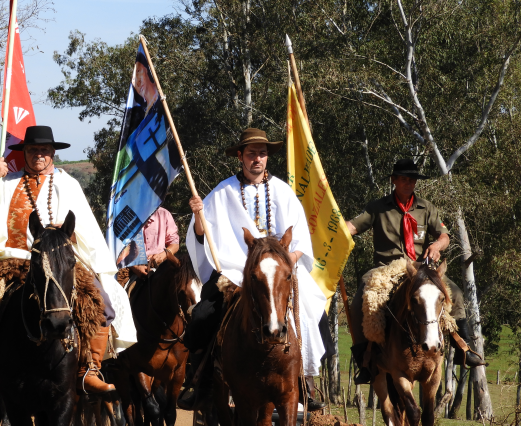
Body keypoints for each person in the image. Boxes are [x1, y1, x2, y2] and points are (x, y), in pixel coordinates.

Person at [0, 125, 137, 397]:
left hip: (59, 261)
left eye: (43, 150)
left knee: (99, 300)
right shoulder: (6, 183)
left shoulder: (69, 184)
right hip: (12, 260)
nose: (38, 155)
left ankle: (89, 369)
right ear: (24, 153)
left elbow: (86, 228)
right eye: (32, 150)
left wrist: (65, 231)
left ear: (52, 153)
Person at [178, 128, 328, 411]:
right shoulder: (221, 193)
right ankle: (201, 382)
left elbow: (300, 245)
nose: (257, 159)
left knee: (314, 309)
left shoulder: (283, 192)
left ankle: (306, 382)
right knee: (202, 316)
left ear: (267, 157)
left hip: (280, 272)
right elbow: (201, 236)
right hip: (235, 273)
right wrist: (198, 214)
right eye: (251, 153)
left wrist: (285, 265)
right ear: (240, 157)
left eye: (261, 153)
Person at [345, 158, 486, 385]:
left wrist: (437, 246)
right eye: (403, 179)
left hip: (420, 268)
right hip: (385, 270)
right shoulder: (378, 207)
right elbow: (351, 227)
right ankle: (365, 362)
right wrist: (332, 227)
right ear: (394, 180)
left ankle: (464, 348)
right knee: (359, 302)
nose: (408, 183)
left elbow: (444, 236)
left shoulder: (426, 208)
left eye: (412, 179)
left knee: (456, 294)